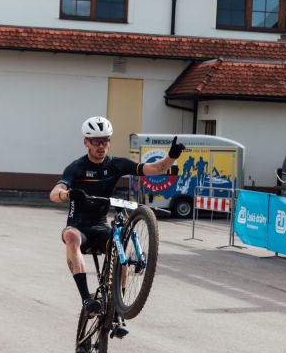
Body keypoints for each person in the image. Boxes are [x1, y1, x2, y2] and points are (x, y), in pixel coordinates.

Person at [50, 116, 185, 320]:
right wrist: (67, 194)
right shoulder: (76, 167)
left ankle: (117, 307)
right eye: (96, 141)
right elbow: (54, 193)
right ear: (86, 142)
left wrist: (172, 156)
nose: (101, 146)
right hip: (78, 228)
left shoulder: (116, 164)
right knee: (71, 237)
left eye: (105, 140)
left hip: (100, 227)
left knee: (121, 248)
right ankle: (87, 300)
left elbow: (154, 169)